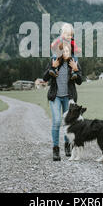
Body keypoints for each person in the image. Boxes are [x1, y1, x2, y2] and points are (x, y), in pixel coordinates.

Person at [43, 23, 83, 161]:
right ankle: (55, 149)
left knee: (68, 122)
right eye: (67, 34)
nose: (68, 38)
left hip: (69, 97)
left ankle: (67, 145)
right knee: (57, 121)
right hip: (55, 96)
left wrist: (76, 70)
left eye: (70, 35)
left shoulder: (73, 60)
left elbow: (80, 81)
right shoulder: (54, 58)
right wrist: (52, 69)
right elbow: (44, 78)